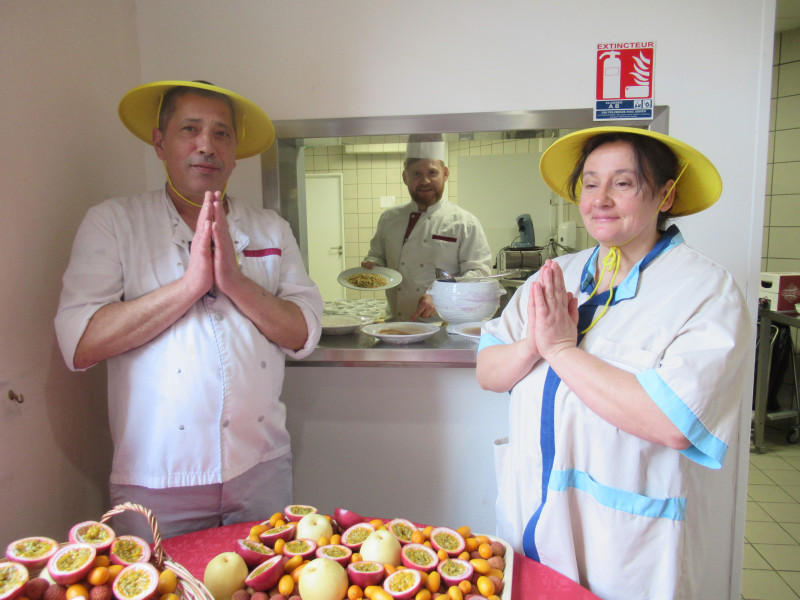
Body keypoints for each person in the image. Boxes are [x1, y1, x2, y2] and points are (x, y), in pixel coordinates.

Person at [475, 126, 750, 599]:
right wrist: (533, 345)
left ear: (666, 194)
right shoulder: (554, 275)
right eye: (590, 182)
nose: (600, 198)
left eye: (623, 183)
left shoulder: (705, 291)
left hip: (626, 545)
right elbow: (488, 372)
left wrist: (561, 351)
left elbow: (672, 421)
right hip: (532, 521)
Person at [55, 80, 323, 538]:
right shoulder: (115, 223)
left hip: (261, 468)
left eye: (221, 133)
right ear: (160, 143)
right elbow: (80, 343)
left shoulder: (269, 228)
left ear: (235, 152)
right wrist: (190, 287)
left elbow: (303, 332)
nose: (207, 145)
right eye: (190, 129)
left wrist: (235, 283)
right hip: (157, 477)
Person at [361, 135, 491, 321]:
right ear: (405, 177)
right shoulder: (389, 218)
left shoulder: (465, 223)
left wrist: (442, 297)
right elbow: (377, 255)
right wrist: (372, 264)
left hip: (444, 325)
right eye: (416, 174)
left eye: (432, 173)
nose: (425, 181)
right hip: (397, 323)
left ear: (445, 174)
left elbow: (479, 274)